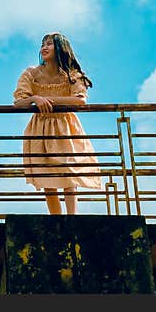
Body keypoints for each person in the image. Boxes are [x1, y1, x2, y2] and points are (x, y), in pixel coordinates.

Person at [13, 32, 102, 215]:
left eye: (50, 44)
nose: (44, 47)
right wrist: (35, 98)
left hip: (66, 126)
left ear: (60, 48)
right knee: (46, 175)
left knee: (69, 173)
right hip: (41, 127)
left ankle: (71, 218)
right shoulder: (31, 73)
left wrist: (49, 99)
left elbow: (80, 100)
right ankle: (56, 218)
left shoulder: (72, 74)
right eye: (43, 44)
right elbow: (18, 101)